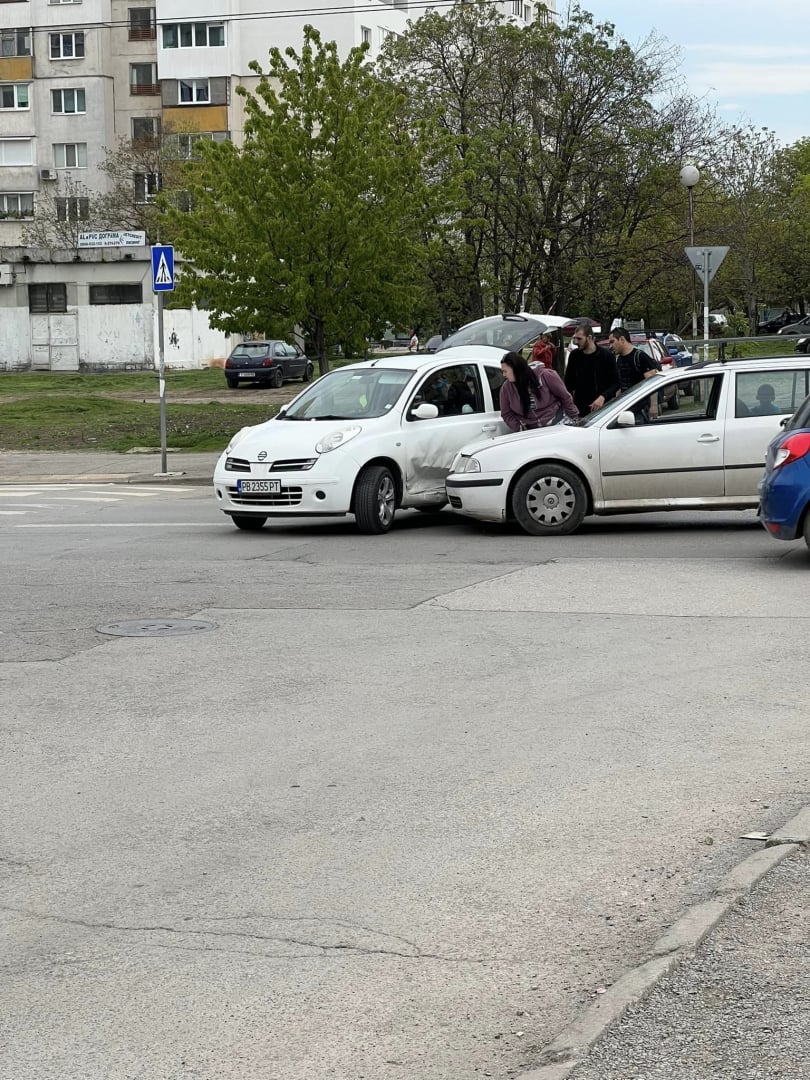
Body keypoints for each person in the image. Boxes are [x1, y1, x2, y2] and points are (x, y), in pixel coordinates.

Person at [499, 350, 578, 432]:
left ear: (516, 368)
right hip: (532, 431)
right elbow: (506, 413)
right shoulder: (506, 388)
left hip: (557, 423)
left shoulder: (545, 375)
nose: (504, 375)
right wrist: (519, 428)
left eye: (505, 371)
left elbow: (565, 396)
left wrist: (574, 417)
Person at [564, 321, 620, 415]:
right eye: (575, 339)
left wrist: (603, 397)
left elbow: (616, 383)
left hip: (603, 409)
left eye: (579, 339)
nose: (576, 342)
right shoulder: (574, 356)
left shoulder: (606, 356)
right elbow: (568, 383)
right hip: (581, 410)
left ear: (589, 338)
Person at [607, 327, 660, 421]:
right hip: (627, 409)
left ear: (622, 339)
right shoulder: (619, 359)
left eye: (612, 341)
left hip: (642, 410)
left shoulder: (640, 356)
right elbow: (622, 385)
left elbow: (652, 382)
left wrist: (653, 406)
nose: (610, 346)